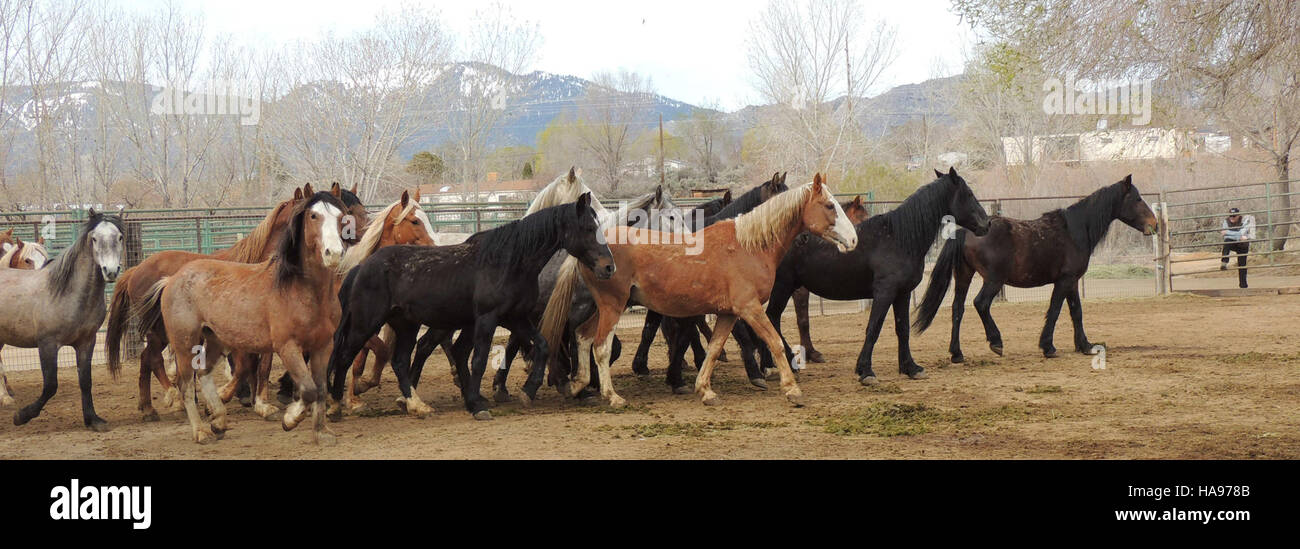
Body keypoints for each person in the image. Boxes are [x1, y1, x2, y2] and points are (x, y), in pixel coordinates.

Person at [1220, 207, 1255, 288]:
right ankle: (1224, 262)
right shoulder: (1226, 221)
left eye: (1234, 216)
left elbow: (1241, 233)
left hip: (1243, 245)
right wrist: (1237, 236)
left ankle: (1243, 285)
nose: (1232, 218)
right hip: (1233, 242)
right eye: (1231, 216)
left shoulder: (1244, 221)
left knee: (1242, 264)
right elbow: (1225, 236)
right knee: (1227, 242)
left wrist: (1228, 232)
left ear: (1238, 215)